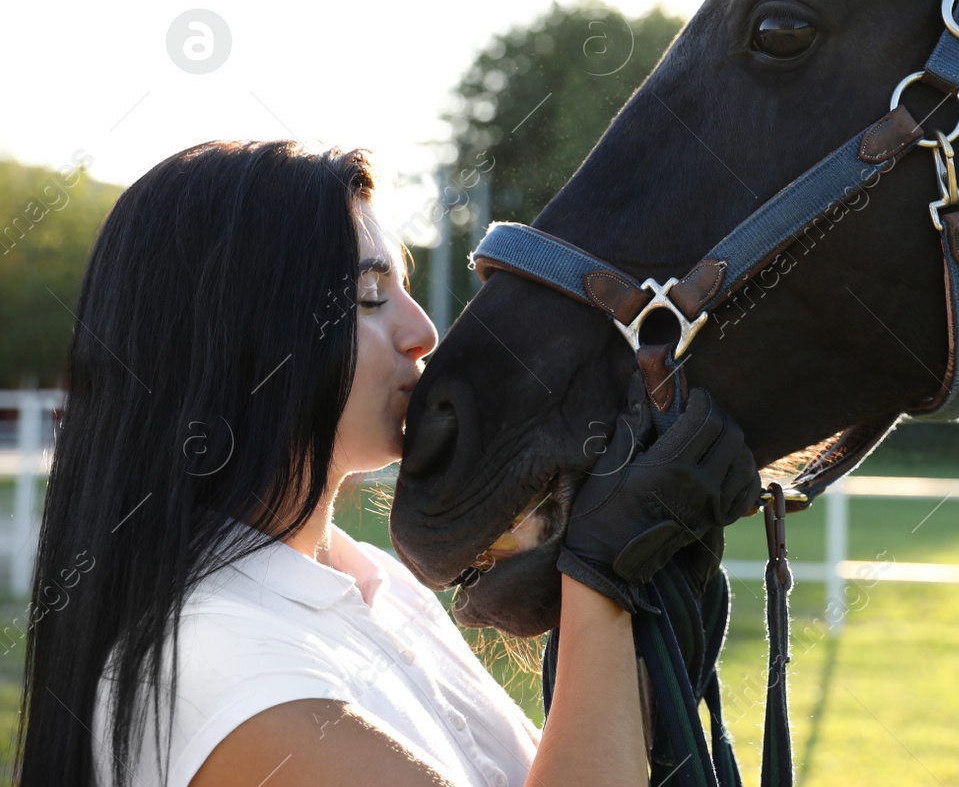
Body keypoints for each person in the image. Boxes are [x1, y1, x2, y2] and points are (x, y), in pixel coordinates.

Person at [12, 139, 760, 787]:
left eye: (402, 284)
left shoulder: (375, 581)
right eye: (370, 295)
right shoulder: (212, 658)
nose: (423, 328)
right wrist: (601, 577)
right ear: (240, 336)